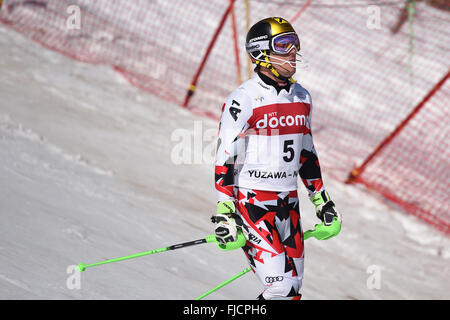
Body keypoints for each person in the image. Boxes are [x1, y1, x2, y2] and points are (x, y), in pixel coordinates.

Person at [212, 17, 342, 300]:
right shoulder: (244, 98)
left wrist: (322, 201)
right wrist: (225, 210)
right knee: (280, 288)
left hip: (289, 205)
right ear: (260, 53)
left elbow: (306, 152)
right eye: (283, 45)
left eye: (294, 42)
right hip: (254, 205)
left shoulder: (302, 97)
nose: (293, 51)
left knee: (292, 292)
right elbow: (226, 156)